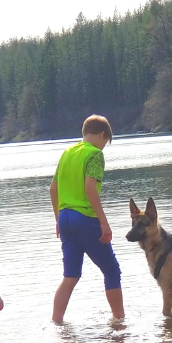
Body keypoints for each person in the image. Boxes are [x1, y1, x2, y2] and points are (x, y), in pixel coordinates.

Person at [49, 114, 124, 322]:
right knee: (111, 270)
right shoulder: (94, 155)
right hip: (85, 218)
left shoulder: (67, 153)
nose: (103, 148)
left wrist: (58, 219)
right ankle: (119, 320)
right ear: (102, 135)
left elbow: (53, 189)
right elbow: (90, 188)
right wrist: (103, 222)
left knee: (70, 275)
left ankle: (57, 321)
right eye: (105, 143)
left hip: (64, 217)